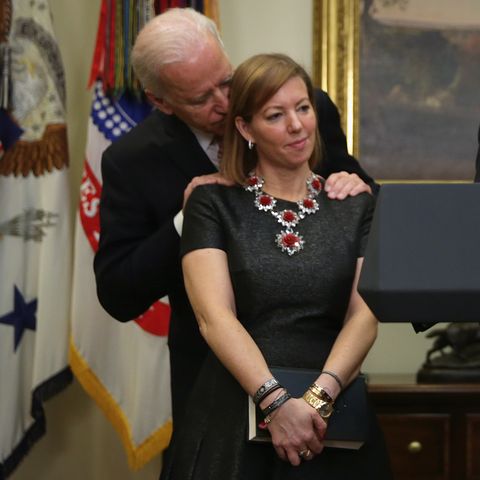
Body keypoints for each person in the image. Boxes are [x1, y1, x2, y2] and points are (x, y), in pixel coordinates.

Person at [93, 8, 379, 429]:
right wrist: (184, 221)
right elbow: (118, 293)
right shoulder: (133, 160)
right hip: (211, 384)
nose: (225, 103)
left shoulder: (300, 112)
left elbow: (369, 215)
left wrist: (354, 187)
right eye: (200, 98)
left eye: (225, 81)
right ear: (160, 101)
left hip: (322, 371)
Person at [160, 53, 391, 479]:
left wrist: (316, 402)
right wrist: (276, 404)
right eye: (275, 115)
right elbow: (214, 318)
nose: (297, 125)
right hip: (234, 417)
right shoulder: (212, 204)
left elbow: (365, 316)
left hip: (334, 414)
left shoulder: (356, 204)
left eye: (303, 108)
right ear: (246, 128)